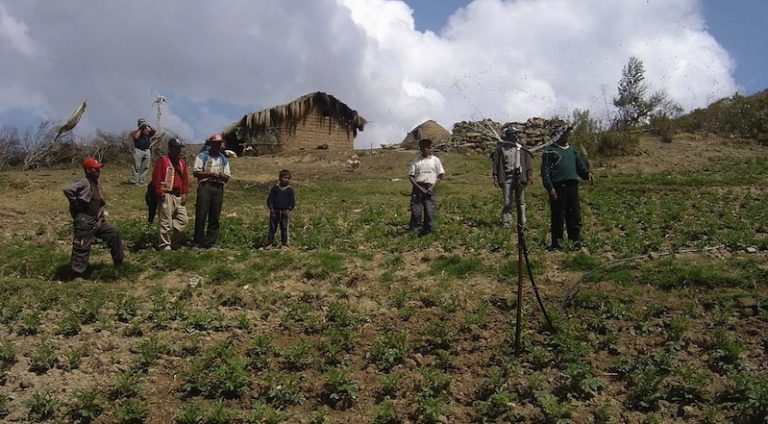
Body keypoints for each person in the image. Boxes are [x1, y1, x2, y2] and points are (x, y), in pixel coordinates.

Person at [63, 157, 124, 277]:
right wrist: (76, 204)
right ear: (88, 170)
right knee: (81, 245)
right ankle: (77, 274)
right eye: (96, 170)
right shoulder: (84, 182)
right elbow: (67, 189)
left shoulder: (97, 184)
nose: (98, 172)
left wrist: (100, 219)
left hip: (96, 219)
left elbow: (100, 204)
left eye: (99, 170)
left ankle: (119, 263)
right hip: (84, 219)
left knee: (113, 233)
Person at [540, 126, 594, 250]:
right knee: (558, 216)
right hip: (558, 187)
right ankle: (557, 244)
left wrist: (587, 174)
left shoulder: (573, 151)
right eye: (563, 133)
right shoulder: (549, 151)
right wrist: (550, 187)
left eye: (567, 133)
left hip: (572, 187)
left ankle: (574, 242)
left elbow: (580, 167)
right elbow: (545, 171)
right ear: (557, 135)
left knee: (574, 215)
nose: (566, 135)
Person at [151, 137, 190, 251]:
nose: (178, 151)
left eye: (179, 148)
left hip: (178, 195)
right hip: (167, 193)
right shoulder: (163, 160)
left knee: (183, 220)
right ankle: (164, 245)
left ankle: (175, 243)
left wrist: (185, 192)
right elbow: (156, 177)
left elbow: (185, 179)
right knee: (165, 222)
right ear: (170, 148)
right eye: (176, 148)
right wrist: (160, 193)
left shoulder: (181, 162)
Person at [192, 134, 231, 248]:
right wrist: (210, 174)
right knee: (201, 213)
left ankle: (210, 241)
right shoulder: (203, 156)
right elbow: (196, 172)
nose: (218, 146)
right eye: (216, 144)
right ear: (211, 144)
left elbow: (227, 176)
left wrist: (219, 175)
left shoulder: (223, 158)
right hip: (205, 185)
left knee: (215, 214)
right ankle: (198, 240)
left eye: (219, 144)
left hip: (218, 187)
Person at [492, 126, 533, 228]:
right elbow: (496, 163)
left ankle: (522, 223)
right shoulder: (501, 149)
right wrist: (495, 176)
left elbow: (528, 162)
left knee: (522, 201)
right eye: (512, 134)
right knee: (507, 201)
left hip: (519, 177)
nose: (515, 136)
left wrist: (529, 174)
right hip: (507, 178)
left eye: (515, 134)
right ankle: (506, 222)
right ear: (508, 136)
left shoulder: (521, 148)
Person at [408, 138, 445, 235]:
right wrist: (419, 188)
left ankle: (427, 232)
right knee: (416, 212)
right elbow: (411, 176)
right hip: (418, 188)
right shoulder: (416, 160)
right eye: (422, 147)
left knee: (429, 212)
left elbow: (440, 176)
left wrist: (432, 188)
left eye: (426, 147)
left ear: (430, 148)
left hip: (430, 188)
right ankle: (415, 232)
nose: (424, 149)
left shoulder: (435, 160)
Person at [266, 169, 296, 247]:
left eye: (288, 178)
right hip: (275, 211)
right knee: (272, 227)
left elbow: (292, 201)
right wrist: (271, 207)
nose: (286, 180)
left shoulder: (290, 190)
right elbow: (270, 198)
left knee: (284, 227)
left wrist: (289, 209)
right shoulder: (275, 189)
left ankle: (284, 243)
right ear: (280, 178)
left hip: (284, 211)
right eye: (285, 178)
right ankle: (269, 242)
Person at [130, 118, 156, 185]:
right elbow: (136, 137)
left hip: (147, 151)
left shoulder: (147, 132)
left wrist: (148, 126)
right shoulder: (136, 132)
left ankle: (142, 181)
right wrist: (140, 129)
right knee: (136, 167)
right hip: (138, 150)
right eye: (142, 123)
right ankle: (135, 181)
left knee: (145, 167)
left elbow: (154, 131)